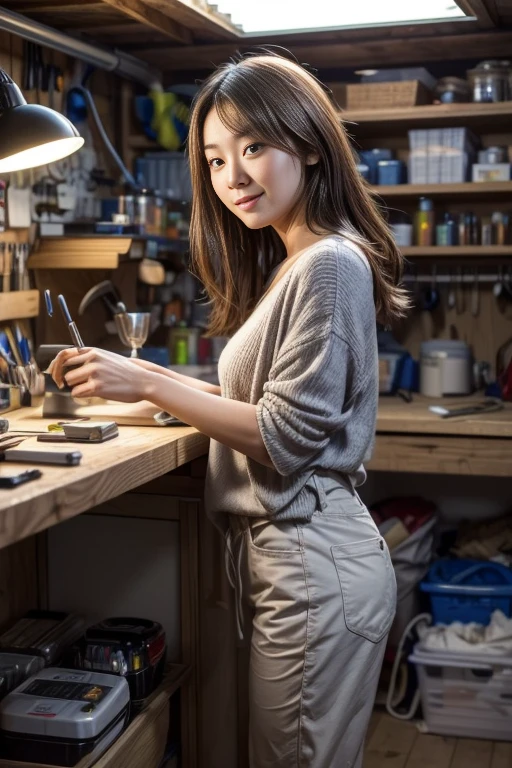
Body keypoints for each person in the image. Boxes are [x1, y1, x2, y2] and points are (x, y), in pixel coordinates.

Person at [50, 51, 408, 768]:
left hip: (315, 563)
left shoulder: (328, 264)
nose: (232, 177)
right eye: (215, 160)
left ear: (307, 143)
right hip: (297, 561)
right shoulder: (296, 261)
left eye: (252, 147)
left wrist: (152, 387)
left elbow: (282, 437)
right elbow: (262, 403)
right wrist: (140, 374)